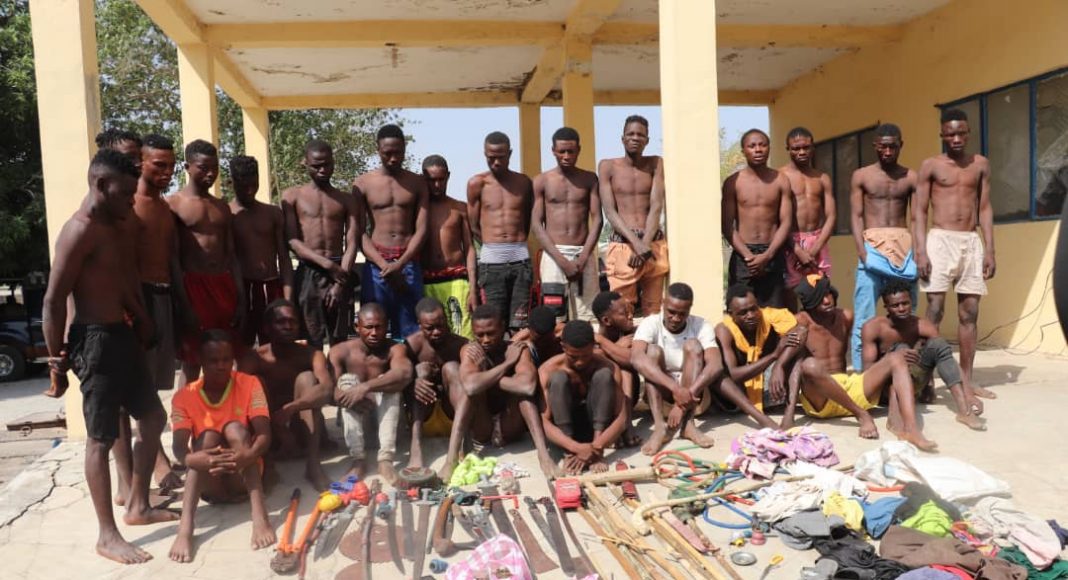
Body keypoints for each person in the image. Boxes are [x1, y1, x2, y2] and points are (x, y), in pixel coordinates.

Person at [42, 150, 176, 565]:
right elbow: (53, 300)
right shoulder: (78, 232)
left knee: (152, 417)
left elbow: (118, 279)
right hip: (94, 341)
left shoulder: (116, 223)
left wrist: (142, 318)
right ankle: (107, 534)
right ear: (101, 186)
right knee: (99, 440)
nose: (131, 202)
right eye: (124, 194)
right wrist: (55, 362)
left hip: (123, 333)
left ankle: (138, 505)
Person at [783, 274, 935, 446]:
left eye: (828, 294)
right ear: (809, 303)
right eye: (819, 298)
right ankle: (861, 415)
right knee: (809, 364)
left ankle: (911, 429)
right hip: (820, 399)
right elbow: (795, 364)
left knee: (897, 357)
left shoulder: (846, 317)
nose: (826, 301)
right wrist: (789, 414)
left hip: (849, 390)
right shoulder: (800, 321)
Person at [168, 330, 274, 563]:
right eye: (213, 360)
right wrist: (194, 460)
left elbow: (264, 435)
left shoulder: (249, 383)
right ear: (201, 361)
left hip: (241, 477)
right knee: (206, 438)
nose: (221, 366)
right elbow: (178, 447)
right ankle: (185, 529)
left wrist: (248, 455)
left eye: (226, 359)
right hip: (210, 484)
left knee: (236, 429)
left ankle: (260, 516)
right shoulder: (183, 397)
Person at [914, 109, 997, 401]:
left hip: (970, 242)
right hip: (940, 241)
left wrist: (990, 249)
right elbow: (919, 211)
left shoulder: (980, 164)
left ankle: (966, 380)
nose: (956, 138)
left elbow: (984, 207)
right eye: (951, 134)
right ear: (942, 134)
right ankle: (924, 380)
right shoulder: (931, 166)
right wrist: (920, 251)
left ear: (968, 132)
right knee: (935, 310)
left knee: (969, 312)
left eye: (961, 132)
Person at [442, 305, 559, 481]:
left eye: (491, 333)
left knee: (524, 396)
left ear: (503, 328)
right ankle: (451, 459)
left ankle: (544, 456)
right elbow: (471, 387)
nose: (485, 340)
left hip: (509, 424)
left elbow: (527, 386)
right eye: (480, 335)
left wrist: (485, 377)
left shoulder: (517, 349)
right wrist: (507, 365)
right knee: (466, 389)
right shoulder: (471, 350)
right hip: (482, 426)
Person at [862, 279, 985, 438]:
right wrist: (892, 358)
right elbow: (868, 371)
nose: (901, 308)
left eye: (905, 303)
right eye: (895, 305)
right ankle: (895, 415)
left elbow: (946, 357)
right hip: (884, 388)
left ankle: (964, 410)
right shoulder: (873, 327)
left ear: (911, 302)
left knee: (939, 344)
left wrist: (968, 393)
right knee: (900, 349)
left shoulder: (922, 325)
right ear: (886, 307)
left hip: (912, 383)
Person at [168, 139, 244, 383]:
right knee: (192, 360)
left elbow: (232, 255)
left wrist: (241, 298)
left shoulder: (222, 206)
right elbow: (173, 258)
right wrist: (184, 304)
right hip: (193, 287)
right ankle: (185, 409)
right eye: (203, 168)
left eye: (215, 168)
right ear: (187, 167)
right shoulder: (174, 204)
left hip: (224, 285)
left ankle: (227, 406)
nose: (211, 174)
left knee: (226, 356)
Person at [238, 300, 333, 489]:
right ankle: (268, 465)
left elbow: (327, 389)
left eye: (292, 321)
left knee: (307, 378)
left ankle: (313, 464)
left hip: (302, 428)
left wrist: (291, 408)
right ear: (267, 328)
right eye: (281, 322)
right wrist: (278, 428)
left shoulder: (311, 354)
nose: (288, 326)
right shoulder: (254, 358)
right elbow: (239, 399)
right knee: (255, 382)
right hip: (269, 433)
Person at [849, 124, 919, 371]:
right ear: (875, 146)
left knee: (907, 316)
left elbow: (916, 218)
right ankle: (862, 376)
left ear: (901, 145)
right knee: (864, 317)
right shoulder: (862, 176)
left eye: (893, 146)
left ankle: (910, 373)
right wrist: (862, 251)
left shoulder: (911, 177)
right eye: (883, 147)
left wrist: (918, 252)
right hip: (872, 249)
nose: (888, 152)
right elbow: (856, 216)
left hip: (903, 251)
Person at [281, 140, 360, 348]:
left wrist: (340, 281)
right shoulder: (292, 197)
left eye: (327, 164)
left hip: (340, 271)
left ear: (333, 162)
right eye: (316, 166)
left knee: (340, 339)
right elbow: (292, 240)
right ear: (305, 163)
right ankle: (317, 370)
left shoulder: (346, 200)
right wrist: (327, 265)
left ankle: (338, 369)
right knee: (312, 337)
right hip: (309, 271)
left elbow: (352, 241)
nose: (323, 170)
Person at [354, 125, 429, 340]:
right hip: (377, 266)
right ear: (378, 150)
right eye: (388, 153)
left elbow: (422, 229)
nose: (393, 158)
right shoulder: (362, 184)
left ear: (405, 149)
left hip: (408, 264)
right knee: (373, 327)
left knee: (411, 330)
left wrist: (401, 263)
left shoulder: (417, 183)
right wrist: (384, 265)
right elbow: (359, 232)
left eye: (398, 152)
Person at [631, 283, 721, 456]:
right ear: (663, 304)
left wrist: (683, 400)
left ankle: (688, 424)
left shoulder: (701, 325)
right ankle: (659, 427)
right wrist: (676, 389)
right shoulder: (650, 323)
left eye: (682, 314)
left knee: (693, 346)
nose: (676, 318)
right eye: (671, 312)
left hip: (694, 399)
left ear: (690, 309)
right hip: (662, 397)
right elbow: (636, 358)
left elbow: (716, 364)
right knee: (652, 352)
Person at [328, 302, 413, 483]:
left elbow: (405, 373)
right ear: (357, 327)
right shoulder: (340, 351)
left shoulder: (395, 348)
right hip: (356, 422)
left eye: (379, 327)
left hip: (388, 425)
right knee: (347, 381)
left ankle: (385, 459)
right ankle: (358, 459)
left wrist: (365, 387)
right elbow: (329, 390)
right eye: (368, 327)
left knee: (391, 382)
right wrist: (350, 395)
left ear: (386, 326)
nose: (374, 333)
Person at [598, 115, 669, 316]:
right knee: (622, 310)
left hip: (653, 244)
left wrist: (644, 244)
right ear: (622, 138)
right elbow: (610, 211)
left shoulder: (655, 163)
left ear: (647, 140)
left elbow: (656, 206)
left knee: (654, 310)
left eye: (640, 135)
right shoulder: (608, 166)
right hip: (623, 247)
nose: (635, 138)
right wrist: (637, 244)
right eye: (630, 134)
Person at [532, 127, 602, 322]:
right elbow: (536, 224)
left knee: (588, 316)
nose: (566, 156)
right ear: (553, 151)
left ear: (579, 150)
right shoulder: (542, 181)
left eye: (571, 151)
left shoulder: (589, 179)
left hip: (583, 254)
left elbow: (597, 219)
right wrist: (562, 261)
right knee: (554, 316)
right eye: (561, 151)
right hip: (554, 256)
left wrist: (584, 257)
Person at [539, 321, 627, 475]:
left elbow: (622, 417)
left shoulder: (608, 366)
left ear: (593, 346)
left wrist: (597, 447)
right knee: (558, 379)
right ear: (563, 347)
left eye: (586, 355)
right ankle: (569, 453)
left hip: (596, 429)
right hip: (564, 431)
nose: (580, 362)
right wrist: (574, 448)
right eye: (573, 357)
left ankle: (596, 448)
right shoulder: (548, 369)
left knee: (604, 375)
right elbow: (543, 421)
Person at [467, 132, 534, 331]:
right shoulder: (476, 183)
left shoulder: (524, 183)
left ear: (510, 154)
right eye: (491, 157)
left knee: (520, 325)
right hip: (491, 263)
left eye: (501, 157)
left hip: (521, 260)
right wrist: (493, 244)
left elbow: (526, 220)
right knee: (494, 325)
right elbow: (473, 225)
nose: (496, 162)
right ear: (484, 154)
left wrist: (515, 243)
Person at [722, 129, 793, 308]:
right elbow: (727, 225)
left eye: (762, 145)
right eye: (752, 146)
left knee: (775, 312)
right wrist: (749, 257)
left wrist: (768, 255)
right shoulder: (733, 182)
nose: (758, 149)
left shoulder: (781, 180)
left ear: (769, 148)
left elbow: (786, 222)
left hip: (773, 253)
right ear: (743, 151)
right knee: (740, 311)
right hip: (743, 255)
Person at [715, 284, 803, 426]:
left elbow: (801, 332)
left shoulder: (769, 316)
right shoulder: (724, 330)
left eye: (754, 309)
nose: (751, 315)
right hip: (739, 396)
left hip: (772, 388)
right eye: (743, 313)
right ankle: (763, 419)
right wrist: (774, 356)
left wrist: (779, 366)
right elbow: (733, 375)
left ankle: (789, 414)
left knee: (797, 355)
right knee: (718, 375)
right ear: (731, 314)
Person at [228, 155, 293, 346]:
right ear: (232, 183)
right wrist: (239, 298)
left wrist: (287, 298)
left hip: (272, 286)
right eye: (244, 186)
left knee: (276, 346)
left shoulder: (272, 213)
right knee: (241, 346)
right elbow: (229, 258)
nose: (250, 190)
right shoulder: (227, 214)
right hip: (241, 288)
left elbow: (284, 258)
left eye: (254, 185)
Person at [404, 297, 468, 469]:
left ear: (446, 319)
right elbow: (398, 377)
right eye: (430, 328)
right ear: (419, 325)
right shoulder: (412, 345)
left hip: (452, 418)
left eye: (441, 325)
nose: (437, 332)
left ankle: (461, 443)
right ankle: (416, 447)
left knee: (451, 367)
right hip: (423, 418)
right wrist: (413, 382)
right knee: (420, 371)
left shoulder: (460, 344)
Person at [421, 155, 476, 339]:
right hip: (427, 280)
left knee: (463, 333)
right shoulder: (419, 211)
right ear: (423, 178)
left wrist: (473, 289)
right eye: (431, 180)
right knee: (432, 335)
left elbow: (469, 248)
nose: (437, 185)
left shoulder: (459, 208)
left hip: (457, 280)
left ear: (448, 176)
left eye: (441, 179)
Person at [779, 127, 835, 307]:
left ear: (812, 147)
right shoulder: (781, 177)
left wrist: (815, 249)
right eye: (796, 148)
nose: (801, 152)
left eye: (806, 147)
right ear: (788, 149)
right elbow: (778, 219)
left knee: (821, 294)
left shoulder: (822, 178)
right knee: (790, 295)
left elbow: (831, 216)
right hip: (790, 243)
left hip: (817, 241)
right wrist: (797, 250)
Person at [591, 290, 641, 448]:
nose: (631, 316)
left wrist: (605, 346)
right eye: (624, 313)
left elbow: (631, 359)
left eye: (630, 310)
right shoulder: (591, 338)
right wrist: (614, 347)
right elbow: (591, 357)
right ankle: (614, 427)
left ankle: (626, 423)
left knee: (624, 369)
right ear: (606, 320)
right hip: (602, 403)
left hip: (628, 398)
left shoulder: (631, 333)